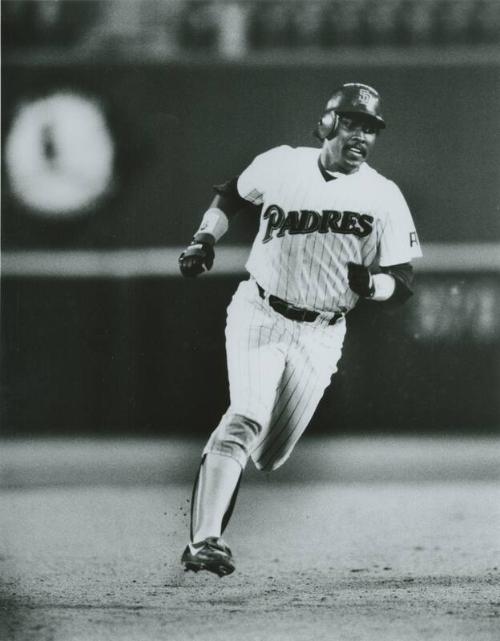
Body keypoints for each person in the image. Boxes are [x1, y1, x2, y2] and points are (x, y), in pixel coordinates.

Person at [178, 82, 422, 577]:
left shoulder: (384, 195)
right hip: (260, 311)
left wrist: (372, 284)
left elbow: (403, 284)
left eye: (370, 129)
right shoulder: (282, 163)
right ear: (328, 123)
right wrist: (205, 237)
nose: (361, 137)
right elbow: (231, 195)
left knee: (268, 456)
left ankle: (223, 458)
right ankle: (205, 540)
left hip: (321, 334)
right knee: (244, 416)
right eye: (352, 123)